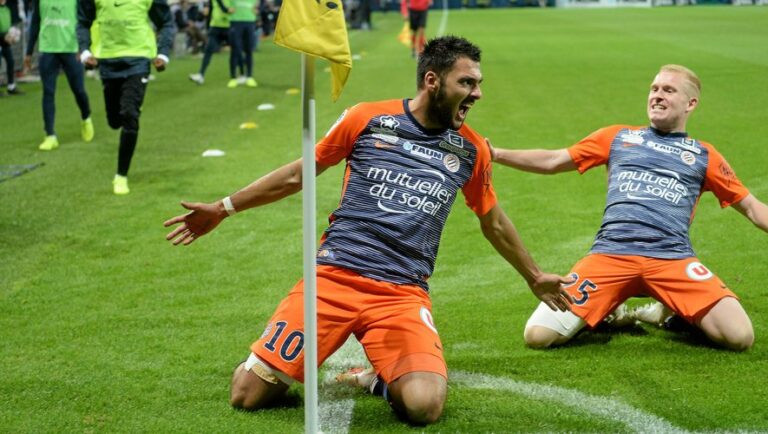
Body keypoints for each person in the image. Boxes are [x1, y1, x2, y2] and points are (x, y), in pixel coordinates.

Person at [164, 36, 573, 425]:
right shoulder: (367, 118)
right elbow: (298, 174)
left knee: (424, 406)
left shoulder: (471, 150)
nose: (477, 93)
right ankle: (272, 357)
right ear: (432, 80)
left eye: (478, 83)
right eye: (466, 82)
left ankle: (372, 379)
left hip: (401, 293)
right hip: (333, 278)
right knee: (247, 395)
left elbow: (493, 221)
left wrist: (534, 276)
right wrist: (224, 208)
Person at [492, 64, 768, 352]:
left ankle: (668, 311)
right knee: (538, 335)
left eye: (669, 90)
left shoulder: (704, 155)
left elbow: (751, 207)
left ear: (690, 103)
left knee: (739, 336)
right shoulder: (617, 137)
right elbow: (553, 160)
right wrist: (496, 153)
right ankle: (610, 309)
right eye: (654, 89)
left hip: (672, 258)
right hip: (610, 255)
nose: (657, 95)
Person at [77, 0, 174, 195]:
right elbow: (83, 21)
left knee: (129, 115)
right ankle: (130, 107)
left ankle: (121, 176)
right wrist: (85, 51)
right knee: (114, 121)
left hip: (138, 60)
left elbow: (165, 21)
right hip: (107, 60)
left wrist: (163, 53)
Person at [25, 0, 94, 151]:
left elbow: (85, 21)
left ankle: (86, 117)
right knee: (48, 92)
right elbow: (35, 21)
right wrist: (29, 52)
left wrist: (84, 48)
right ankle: (50, 135)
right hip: (48, 50)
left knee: (79, 90)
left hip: (72, 50)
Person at [189, 0, 233, 85]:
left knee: (237, 51)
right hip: (216, 26)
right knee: (208, 50)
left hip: (228, 26)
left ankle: (243, 74)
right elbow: (210, 9)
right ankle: (201, 75)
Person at [226, 0, 257, 88]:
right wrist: (225, 9)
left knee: (249, 50)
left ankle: (249, 76)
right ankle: (233, 77)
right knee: (235, 50)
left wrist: (259, 9)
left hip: (250, 21)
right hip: (235, 21)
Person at [0, 0, 24, 96]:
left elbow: (8, 25)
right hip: (2, 39)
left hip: (5, 42)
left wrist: (11, 36)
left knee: (10, 62)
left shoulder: (7, 9)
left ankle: (11, 86)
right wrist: (4, 36)